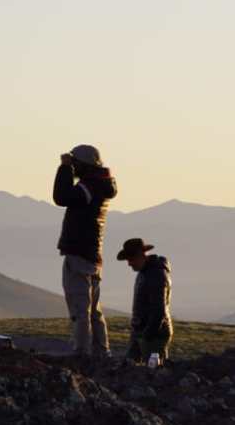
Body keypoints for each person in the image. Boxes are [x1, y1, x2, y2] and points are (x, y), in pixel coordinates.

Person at [53, 145, 118, 358]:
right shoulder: (100, 185)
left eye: (75, 163)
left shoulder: (89, 187)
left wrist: (64, 169)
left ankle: (81, 353)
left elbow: (61, 197)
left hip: (79, 254)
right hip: (92, 255)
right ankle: (101, 352)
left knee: (80, 309)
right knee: (94, 310)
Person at [117, 238, 173, 365]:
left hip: (154, 335)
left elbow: (159, 309)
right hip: (142, 332)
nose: (129, 263)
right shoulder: (145, 273)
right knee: (130, 366)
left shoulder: (156, 275)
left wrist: (148, 334)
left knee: (153, 369)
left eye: (131, 259)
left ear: (141, 256)